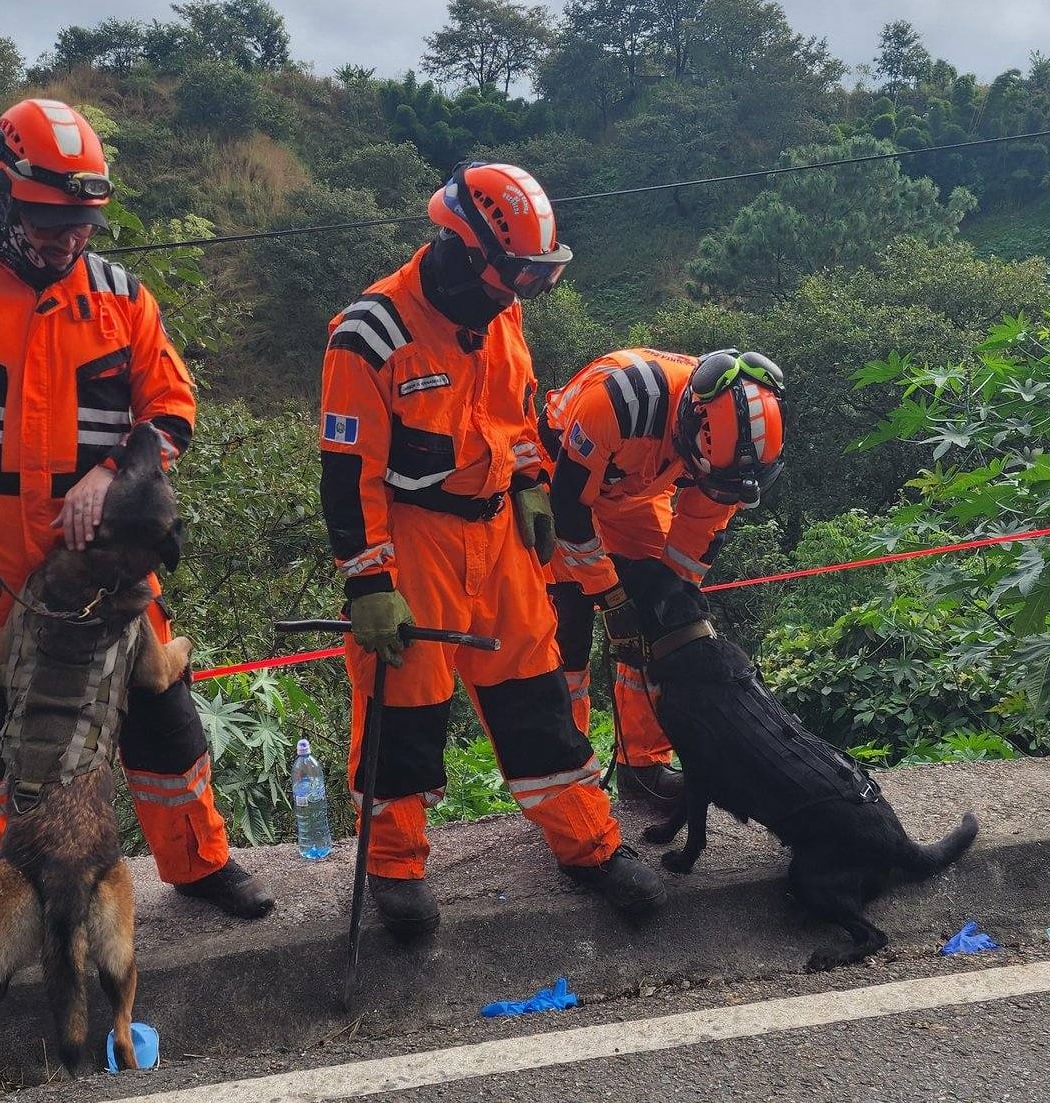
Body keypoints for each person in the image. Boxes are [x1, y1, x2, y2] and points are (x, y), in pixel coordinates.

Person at [0, 97, 271, 965]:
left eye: (81, 223)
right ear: (3, 194)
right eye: (49, 222)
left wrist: (114, 473)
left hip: (105, 561)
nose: (66, 240)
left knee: (160, 711)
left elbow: (172, 409)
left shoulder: (120, 297)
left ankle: (197, 865)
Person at [317, 161, 665, 939]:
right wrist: (368, 580)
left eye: (535, 280)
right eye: (517, 275)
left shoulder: (498, 310)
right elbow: (348, 474)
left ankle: (590, 848)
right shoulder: (370, 333)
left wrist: (535, 477)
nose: (523, 293)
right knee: (403, 706)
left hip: (499, 528)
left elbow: (516, 410)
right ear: (465, 247)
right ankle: (396, 867)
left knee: (536, 692)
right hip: (414, 535)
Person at [541, 348, 787, 809]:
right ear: (691, 427)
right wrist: (612, 597)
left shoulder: (730, 461)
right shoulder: (617, 401)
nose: (717, 491)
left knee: (665, 627)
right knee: (565, 635)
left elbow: (696, 535)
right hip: (558, 479)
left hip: (635, 492)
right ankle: (571, 781)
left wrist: (663, 604)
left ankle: (642, 765)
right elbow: (569, 512)